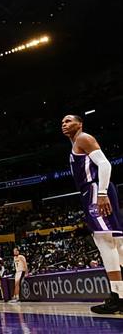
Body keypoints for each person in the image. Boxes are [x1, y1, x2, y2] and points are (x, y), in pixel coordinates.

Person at [61, 114, 123, 314]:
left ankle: (118, 297)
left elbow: (105, 164)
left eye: (68, 121)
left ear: (80, 124)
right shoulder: (75, 143)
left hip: (95, 189)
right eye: (62, 122)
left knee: (105, 241)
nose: (64, 124)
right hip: (93, 190)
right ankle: (120, 295)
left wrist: (102, 193)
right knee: (117, 244)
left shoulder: (83, 138)